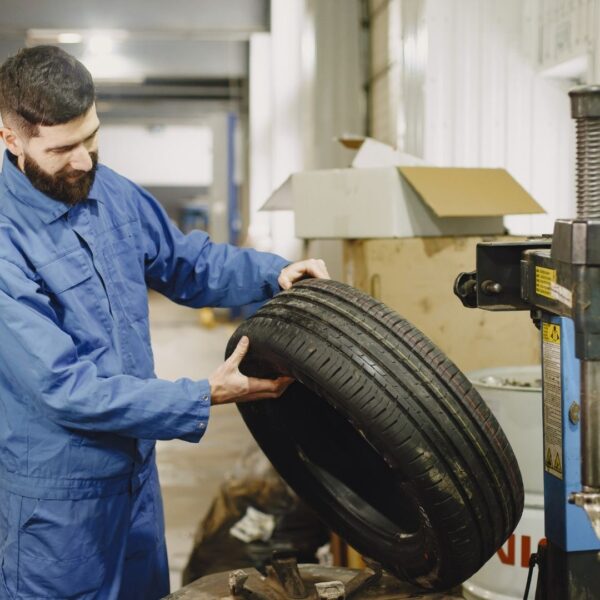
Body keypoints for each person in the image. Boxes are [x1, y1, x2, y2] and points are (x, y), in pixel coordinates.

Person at [0, 45, 329, 600]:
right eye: (62, 148)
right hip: (58, 509)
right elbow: (63, 387)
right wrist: (203, 394)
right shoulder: (6, 242)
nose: (83, 161)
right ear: (12, 140)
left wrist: (275, 274)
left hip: (136, 484)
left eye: (91, 137)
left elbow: (187, 263)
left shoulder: (112, 193)